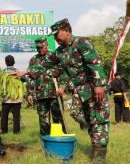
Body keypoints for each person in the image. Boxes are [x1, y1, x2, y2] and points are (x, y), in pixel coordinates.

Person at [50, 18, 110, 162]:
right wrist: (26, 72)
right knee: (87, 118)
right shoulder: (59, 52)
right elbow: (49, 65)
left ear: (67, 31)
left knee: (98, 119)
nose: (55, 38)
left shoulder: (82, 42)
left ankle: (99, 157)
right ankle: (95, 143)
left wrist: (99, 85)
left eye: (57, 34)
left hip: (93, 88)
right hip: (80, 91)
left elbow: (94, 63)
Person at [13, 37, 67, 136]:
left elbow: (63, 72)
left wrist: (62, 86)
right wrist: (30, 93)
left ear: (47, 45)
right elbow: (30, 78)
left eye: (42, 47)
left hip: (55, 93)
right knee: (43, 120)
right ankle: (45, 140)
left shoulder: (54, 56)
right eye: (38, 48)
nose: (40, 49)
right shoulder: (34, 59)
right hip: (41, 94)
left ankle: (60, 138)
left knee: (58, 117)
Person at [1, 55, 22, 134]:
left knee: (4, 115)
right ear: (14, 62)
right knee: (16, 116)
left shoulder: (3, 72)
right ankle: (16, 131)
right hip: (16, 98)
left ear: (6, 62)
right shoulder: (17, 71)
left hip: (6, 98)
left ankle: (4, 130)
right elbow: (22, 81)